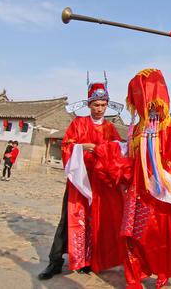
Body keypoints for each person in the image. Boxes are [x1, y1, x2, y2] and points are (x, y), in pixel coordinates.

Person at [97, 68, 171, 289]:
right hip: (136, 191)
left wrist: (161, 185)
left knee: (158, 234)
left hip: (157, 193)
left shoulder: (166, 128)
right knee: (130, 235)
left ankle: (162, 272)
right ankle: (133, 277)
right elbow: (131, 158)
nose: (147, 106)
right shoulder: (137, 129)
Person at [38, 77, 125, 280]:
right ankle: (55, 262)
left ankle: (88, 260)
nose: (100, 109)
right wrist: (82, 147)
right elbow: (67, 145)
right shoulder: (79, 123)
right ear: (89, 104)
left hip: (100, 182)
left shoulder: (110, 129)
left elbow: (118, 151)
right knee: (68, 218)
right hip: (79, 180)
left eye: (103, 105)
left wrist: (106, 150)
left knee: (96, 220)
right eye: (96, 105)